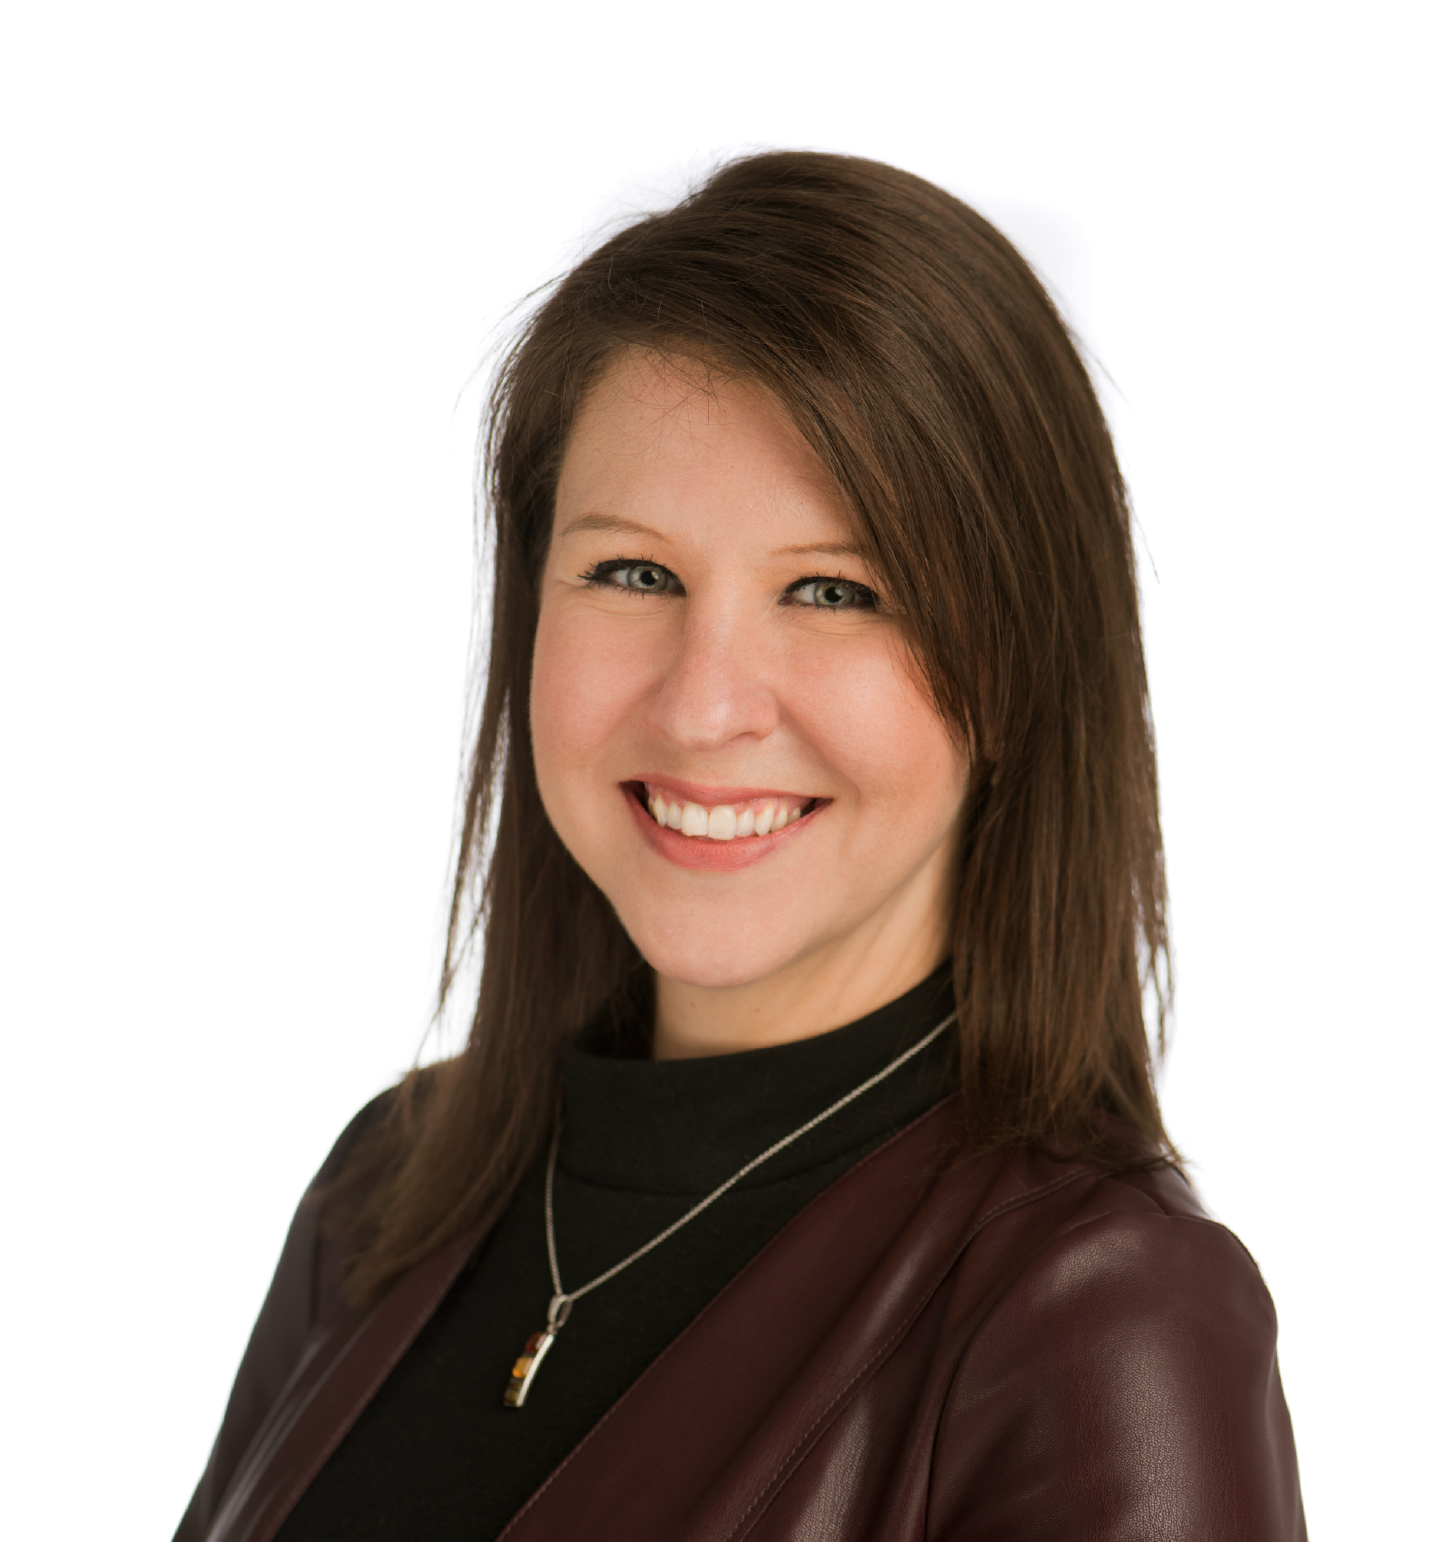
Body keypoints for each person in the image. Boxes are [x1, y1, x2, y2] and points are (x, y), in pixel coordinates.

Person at [176, 151, 1306, 1542]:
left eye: (834, 590)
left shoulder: (1101, 1320)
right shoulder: (387, 1188)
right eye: (633, 572)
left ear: (1020, 663)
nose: (704, 704)